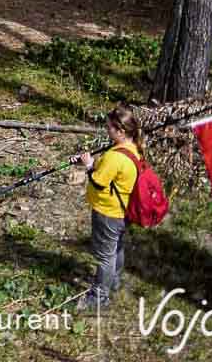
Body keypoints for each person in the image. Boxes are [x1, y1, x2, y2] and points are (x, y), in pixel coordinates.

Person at [71, 104, 144, 312]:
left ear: (120, 131)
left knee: (105, 255)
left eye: (110, 128)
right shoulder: (133, 148)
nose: (107, 130)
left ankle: (99, 296)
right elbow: (110, 173)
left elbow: (99, 182)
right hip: (123, 210)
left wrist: (87, 166)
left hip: (108, 212)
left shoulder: (115, 156)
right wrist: (92, 162)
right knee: (116, 248)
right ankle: (114, 281)